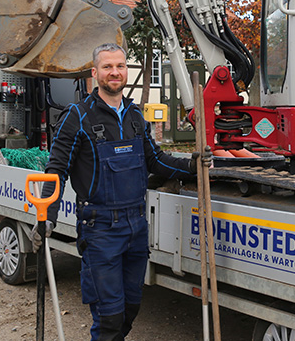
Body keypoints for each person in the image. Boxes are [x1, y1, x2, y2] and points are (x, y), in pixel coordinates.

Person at [33, 43, 195, 341]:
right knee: (109, 317)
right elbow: (56, 171)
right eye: (107, 67)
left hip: (136, 227)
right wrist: (48, 216)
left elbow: (155, 161)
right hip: (100, 229)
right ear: (95, 73)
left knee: (130, 309)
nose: (115, 72)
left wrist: (194, 166)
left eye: (120, 66)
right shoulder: (77, 117)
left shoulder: (135, 116)